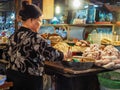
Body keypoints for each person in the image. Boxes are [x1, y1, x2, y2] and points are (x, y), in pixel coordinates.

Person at [3, 1, 64, 90]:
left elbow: (6, 55)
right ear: (31, 20)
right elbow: (53, 55)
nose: (40, 24)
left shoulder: (13, 36)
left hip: (13, 79)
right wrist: (64, 55)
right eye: (39, 20)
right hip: (29, 82)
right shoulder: (35, 38)